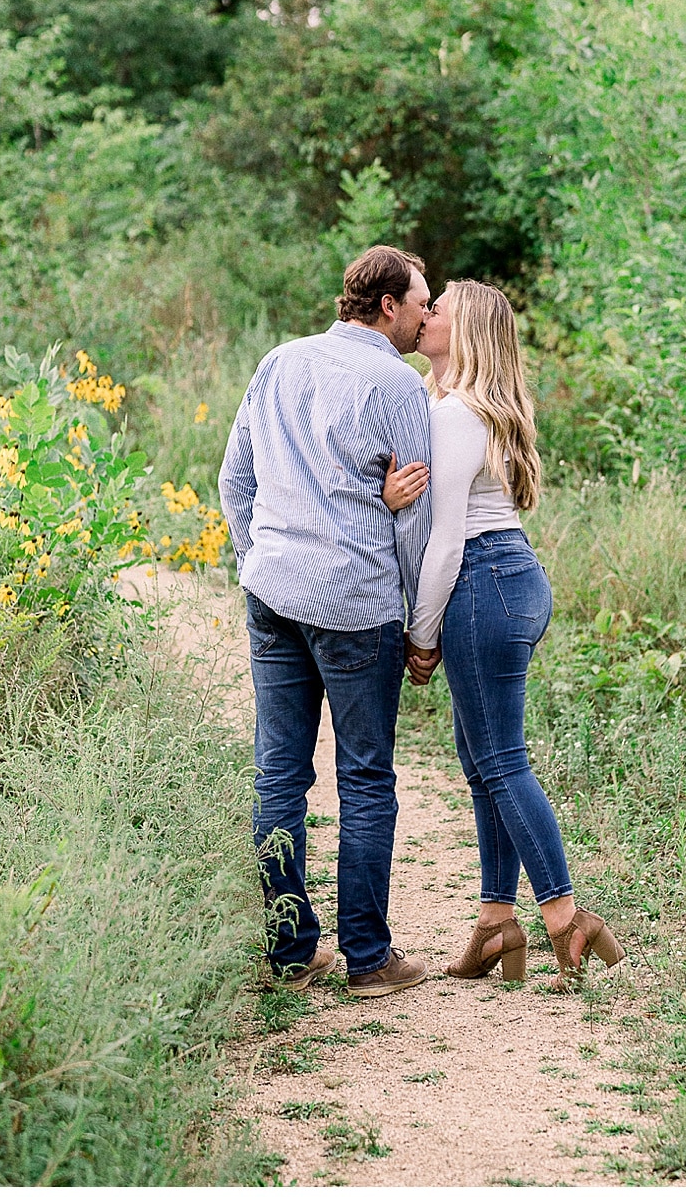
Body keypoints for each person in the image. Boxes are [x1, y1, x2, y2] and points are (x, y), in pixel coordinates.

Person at [384, 279, 624, 988]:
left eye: (440, 309)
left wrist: (420, 634)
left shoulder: (458, 415)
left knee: (501, 760)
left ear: (468, 334)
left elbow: (447, 542)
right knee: (482, 758)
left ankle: (565, 916)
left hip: (484, 580)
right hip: (504, 579)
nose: (426, 315)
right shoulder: (450, 405)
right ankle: (496, 921)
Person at [219, 245, 433, 998]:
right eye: (420, 304)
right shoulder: (398, 383)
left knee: (280, 772)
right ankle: (370, 959)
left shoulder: (280, 361)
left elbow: (233, 479)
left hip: (273, 592)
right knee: (366, 776)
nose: (425, 319)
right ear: (386, 306)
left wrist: (260, 558)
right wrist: (417, 622)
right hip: (353, 603)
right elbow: (416, 517)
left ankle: (290, 953)